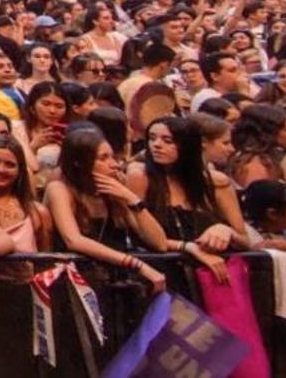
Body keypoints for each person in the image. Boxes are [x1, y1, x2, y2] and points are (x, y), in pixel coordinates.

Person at [44, 126, 168, 292]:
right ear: (79, 163)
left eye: (112, 157)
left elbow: (159, 243)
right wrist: (136, 264)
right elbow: (74, 240)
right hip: (75, 284)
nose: (114, 165)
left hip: (114, 282)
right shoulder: (59, 189)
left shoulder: (115, 191)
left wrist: (131, 198)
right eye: (103, 158)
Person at [127, 116, 249, 282]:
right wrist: (188, 247)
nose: (156, 145)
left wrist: (226, 231)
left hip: (213, 277)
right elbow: (139, 235)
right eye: (152, 138)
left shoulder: (216, 183)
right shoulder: (140, 177)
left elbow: (245, 241)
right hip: (161, 273)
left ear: (187, 145)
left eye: (168, 141)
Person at [0, 137, 50, 253]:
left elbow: (46, 259)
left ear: (20, 170)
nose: (1, 169)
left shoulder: (38, 213)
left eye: (10, 165)